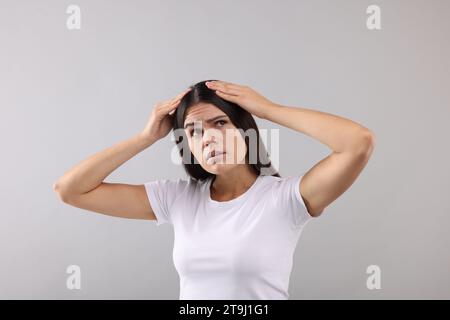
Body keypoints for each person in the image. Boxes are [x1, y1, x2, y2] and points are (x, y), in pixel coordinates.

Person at [53, 79, 375, 300]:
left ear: (245, 130)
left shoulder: (285, 199)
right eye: (193, 131)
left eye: (220, 123)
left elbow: (358, 143)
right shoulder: (178, 198)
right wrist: (145, 138)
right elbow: (70, 189)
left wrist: (267, 108)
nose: (206, 137)